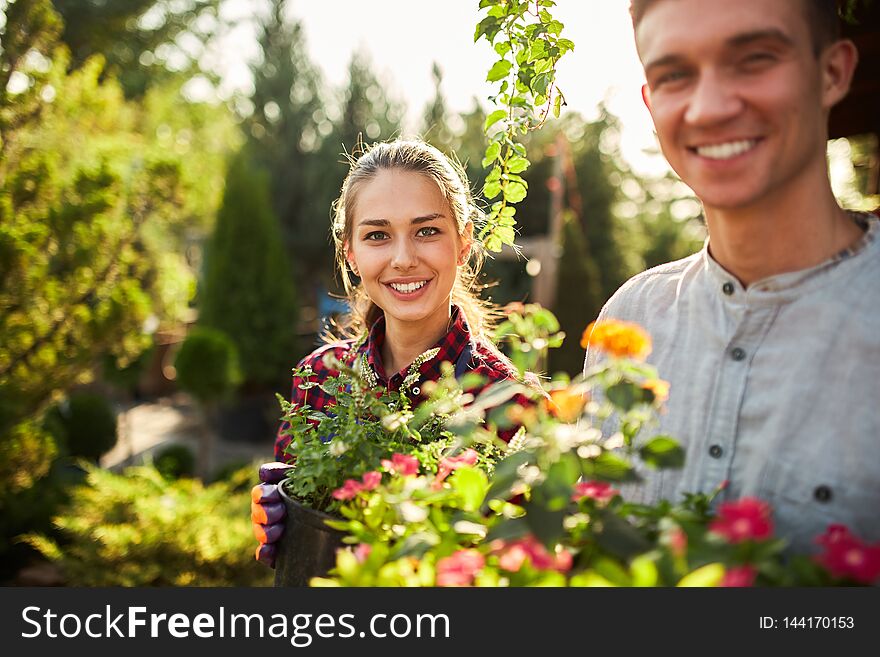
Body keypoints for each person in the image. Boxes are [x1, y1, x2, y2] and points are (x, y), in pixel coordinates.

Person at [585, 0, 880, 556]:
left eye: (754, 59)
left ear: (833, 72)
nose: (709, 108)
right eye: (675, 75)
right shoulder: (630, 318)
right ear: (651, 102)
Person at [252, 139, 529, 567]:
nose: (403, 259)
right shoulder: (319, 379)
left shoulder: (511, 403)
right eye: (378, 235)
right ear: (351, 251)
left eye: (427, 231)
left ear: (463, 242)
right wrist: (280, 518)